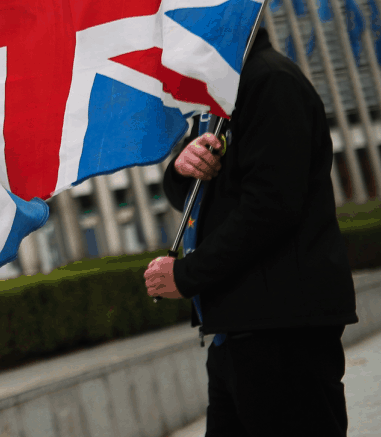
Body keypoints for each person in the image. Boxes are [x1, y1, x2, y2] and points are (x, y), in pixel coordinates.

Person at [144, 29, 357, 437]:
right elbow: (189, 194)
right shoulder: (221, 97)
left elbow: (271, 208)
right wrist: (180, 167)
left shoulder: (269, 82)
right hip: (237, 332)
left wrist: (187, 276)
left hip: (281, 332)